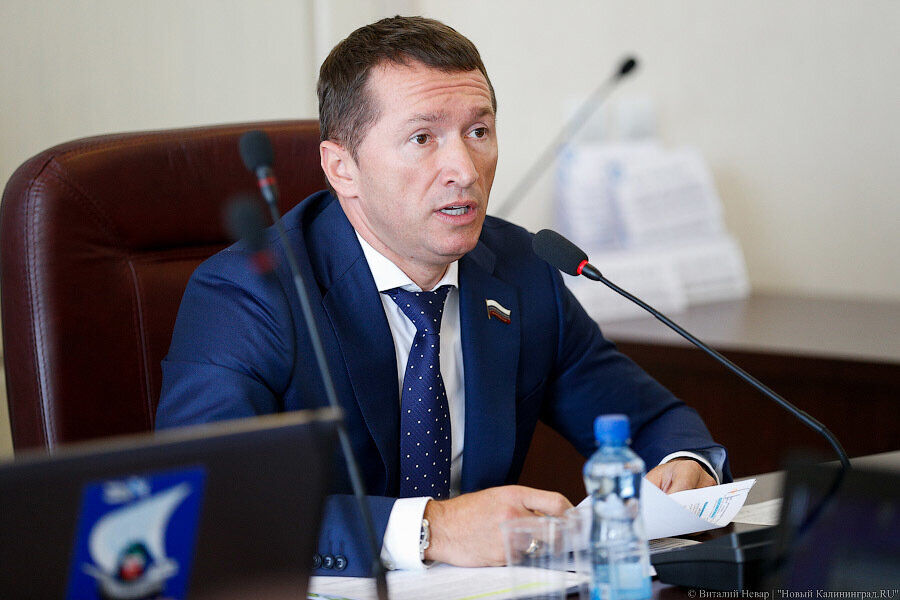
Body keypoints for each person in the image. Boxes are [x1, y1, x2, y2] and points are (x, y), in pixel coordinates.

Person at [156, 16, 729, 577]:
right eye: (422, 138)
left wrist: (683, 464)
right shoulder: (249, 293)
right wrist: (432, 529)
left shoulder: (523, 270)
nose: (464, 169)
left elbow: (652, 421)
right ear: (342, 168)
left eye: (478, 132)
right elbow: (203, 500)